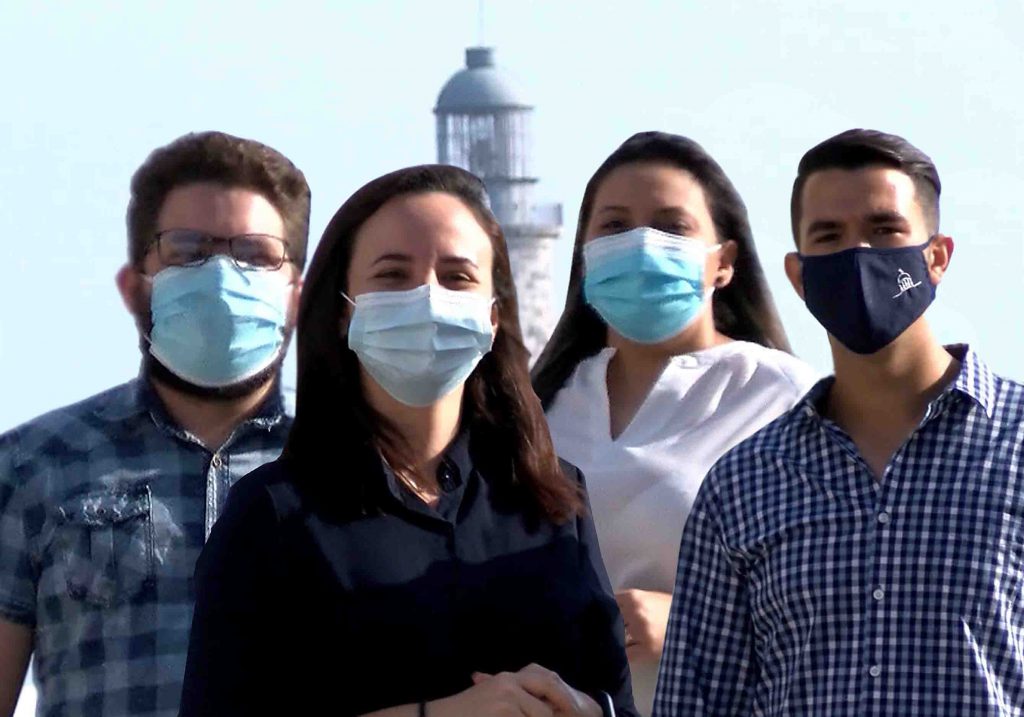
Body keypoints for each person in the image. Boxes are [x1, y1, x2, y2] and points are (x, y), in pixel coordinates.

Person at [178, 164, 637, 717]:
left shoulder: (556, 500)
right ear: (343, 312)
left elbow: (617, 701)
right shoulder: (273, 515)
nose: (428, 297)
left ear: (493, 317)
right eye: (393, 275)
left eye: (457, 276)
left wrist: (580, 709)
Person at [653, 128, 1024, 716]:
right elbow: (698, 702)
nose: (859, 256)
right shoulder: (743, 485)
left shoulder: (1016, 445)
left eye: (885, 230)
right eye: (829, 236)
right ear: (799, 276)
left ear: (936, 257)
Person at [0, 131, 310, 717]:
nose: (223, 276)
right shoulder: (30, 467)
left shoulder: (349, 470)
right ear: (133, 286)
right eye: (189, 251)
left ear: (298, 294)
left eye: (256, 255)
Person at [532, 131, 817, 714]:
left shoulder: (787, 399)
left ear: (724, 262)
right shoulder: (538, 407)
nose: (641, 245)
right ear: (585, 256)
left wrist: (693, 624)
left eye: (672, 227)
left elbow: (849, 592)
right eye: (615, 226)